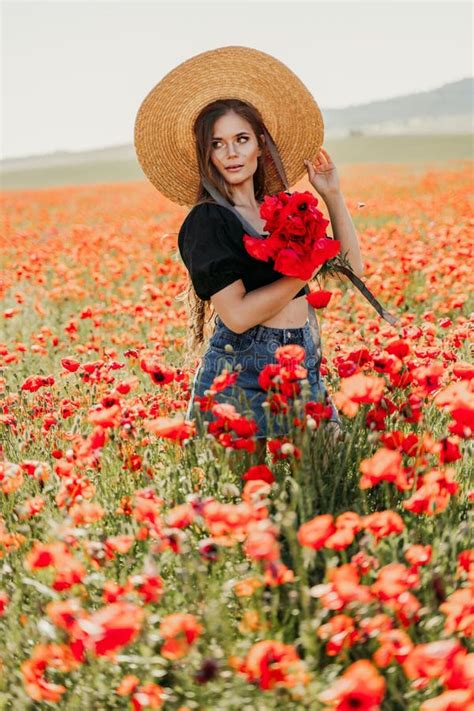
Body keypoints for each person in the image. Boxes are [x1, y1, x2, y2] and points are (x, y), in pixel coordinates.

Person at [134, 46, 365, 464]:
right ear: (207, 154)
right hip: (242, 370)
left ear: (260, 145)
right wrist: (304, 269)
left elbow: (352, 269)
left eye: (241, 140)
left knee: (331, 474)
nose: (232, 153)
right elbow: (237, 315)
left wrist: (332, 196)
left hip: (302, 358)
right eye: (218, 144)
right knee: (248, 503)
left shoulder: (282, 209)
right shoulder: (208, 222)